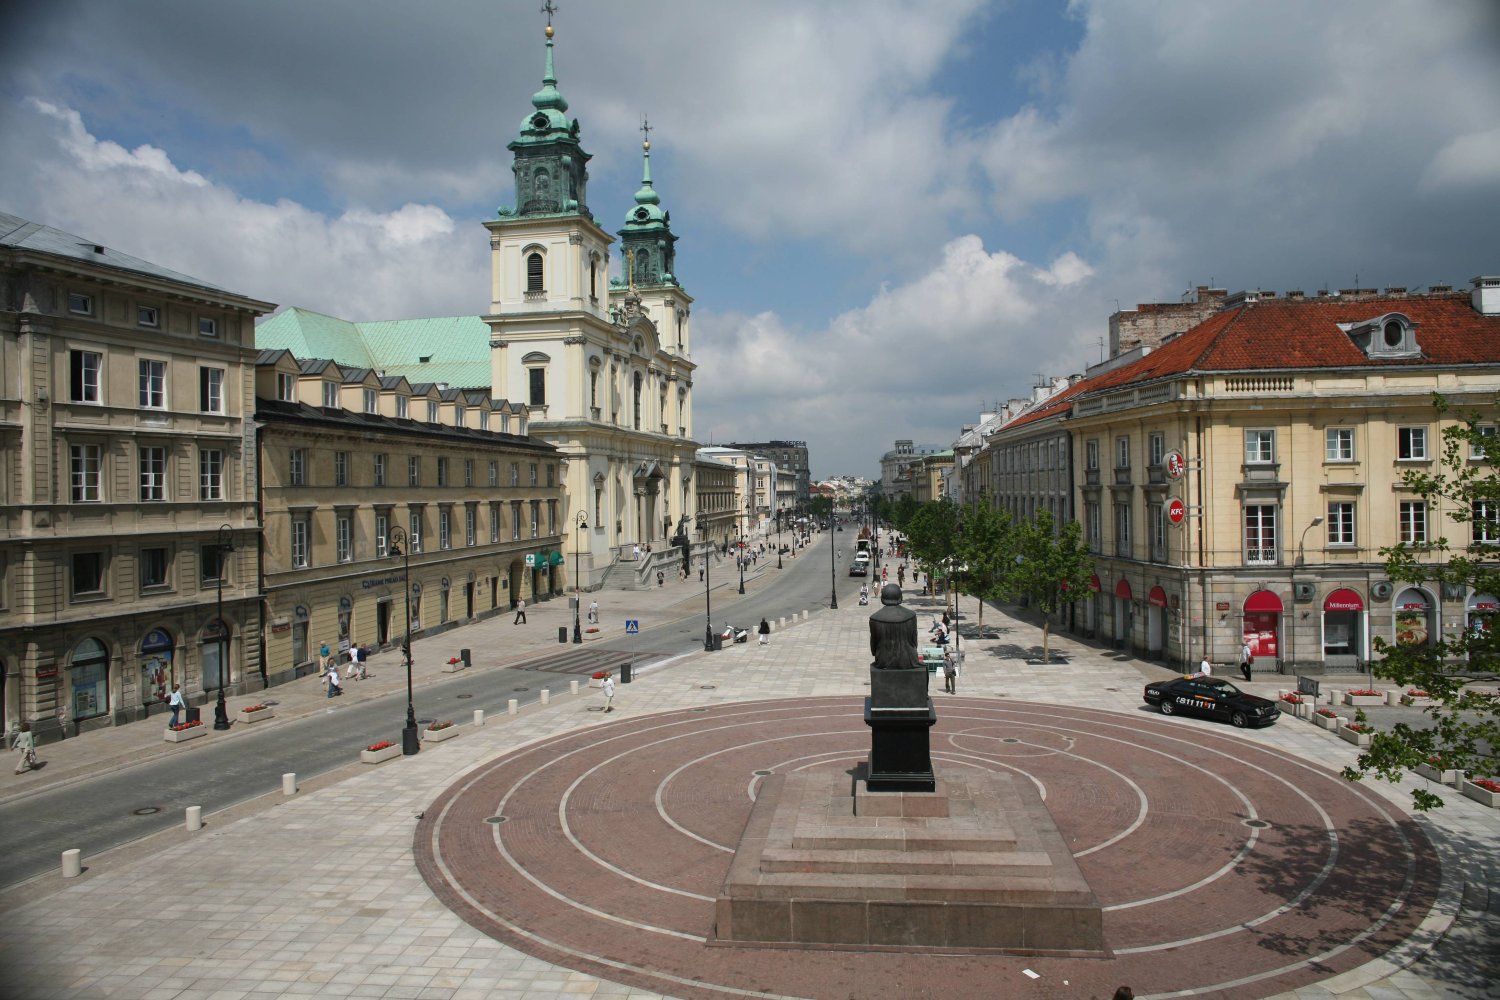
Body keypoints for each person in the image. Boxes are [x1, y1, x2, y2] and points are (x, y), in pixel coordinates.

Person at [869, 583, 920, 670]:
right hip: (908, 659)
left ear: (882, 598)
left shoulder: (874, 618)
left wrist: (876, 654)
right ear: (900, 597)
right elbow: (914, 640)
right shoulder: (911, 616)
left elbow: (874, 643)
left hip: (883, 660)